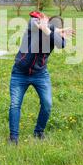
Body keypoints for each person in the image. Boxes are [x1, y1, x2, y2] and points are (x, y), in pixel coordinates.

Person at [8, 11, 74, 145]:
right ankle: (13, 138)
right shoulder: (34, 27)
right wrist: (50, 28)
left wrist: (51, 32)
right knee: (15, 105)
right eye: (50, 26)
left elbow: (61, 44)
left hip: (40, 74)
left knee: (47, 104)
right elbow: (32, 22)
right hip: (19, 73)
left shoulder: (52, 35)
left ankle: (39, 133)